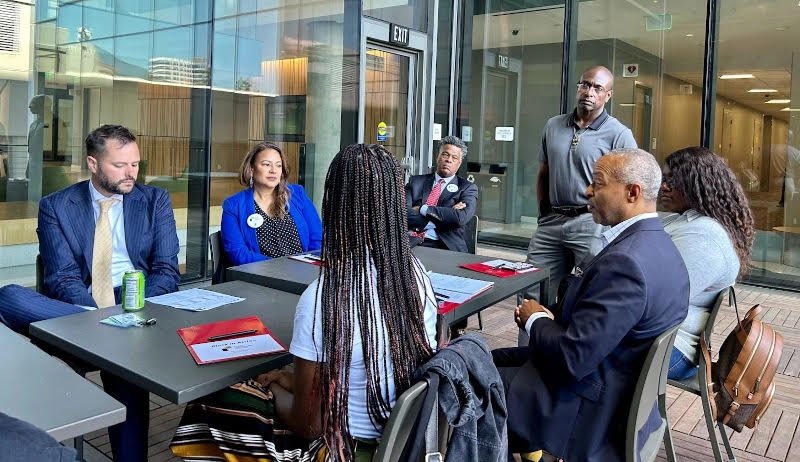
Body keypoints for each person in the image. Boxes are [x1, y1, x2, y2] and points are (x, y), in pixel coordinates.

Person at [171, 144, 438, 461]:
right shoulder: (415, 275)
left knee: (210, 398)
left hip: (341, 449)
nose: (273, 170)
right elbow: (355, 367)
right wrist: (290, 379)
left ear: (335, 204)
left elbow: (309, 425)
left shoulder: (324, 298)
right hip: (402, 439)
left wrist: (273, 391)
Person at [493, 148, 689, 461]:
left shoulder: (626, 263)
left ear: (631, 192)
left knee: (462, 383)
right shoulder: (660, 245)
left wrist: (535, 320)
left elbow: (573, 360)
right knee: (485, 360)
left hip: (587, 409)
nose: (586, 190)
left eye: (597, 183)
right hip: (612, 384)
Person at [0, 124, 180, 462]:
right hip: (83, 306)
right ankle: (107, 332)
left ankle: (111, 335)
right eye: (120, 165)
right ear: (93, 164)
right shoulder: (57, 206)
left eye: (136, 164)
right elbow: (63, 277)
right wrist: (102, 317)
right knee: (9, 295)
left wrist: (133, 311)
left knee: (123, 357)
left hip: (136, 300)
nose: (131, 174)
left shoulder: (155, 200)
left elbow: (166, 269)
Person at [527, 65, 637, 306]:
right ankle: (533, 343)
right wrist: (543, 213)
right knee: (532, 290)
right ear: (578, 88)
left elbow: (630, 187)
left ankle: (571, 343)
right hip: (551, 222)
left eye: (598, 88)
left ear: (608, 95)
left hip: (591, 223)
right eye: (585, 85)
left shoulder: (619, 134)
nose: (589, 92)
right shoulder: (553, 125)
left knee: (592, 294)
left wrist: (612, 225)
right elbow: (544, 172)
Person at [660, 146, 754, 380]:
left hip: (671, 350)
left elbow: (659, 298)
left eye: (672, 180)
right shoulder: (687, 220)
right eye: (663, 179)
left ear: (697, 185)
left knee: (579, 350)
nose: (663, 186)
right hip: (662, 338)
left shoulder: (705, 236)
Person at [221, 142, 322, 266]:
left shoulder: (297, 194)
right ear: (251, 169)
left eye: (278, 165)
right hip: (262, 275)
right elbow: (237, 253)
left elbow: (317, 239)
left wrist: (306, 265)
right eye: (266, 164)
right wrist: (279, 266)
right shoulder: (233, 205)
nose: (273, 170)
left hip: (303, 271)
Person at [406, 135, 478, 252]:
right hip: (412, 243)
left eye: (454, 158)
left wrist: (423, 209)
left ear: (459, 163)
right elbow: (401, 213)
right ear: (437, 156)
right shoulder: (416, 182)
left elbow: (460, 218)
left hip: (446, 247)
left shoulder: (467, 188)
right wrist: (446, 216)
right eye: (445, 154)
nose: (449, 160)